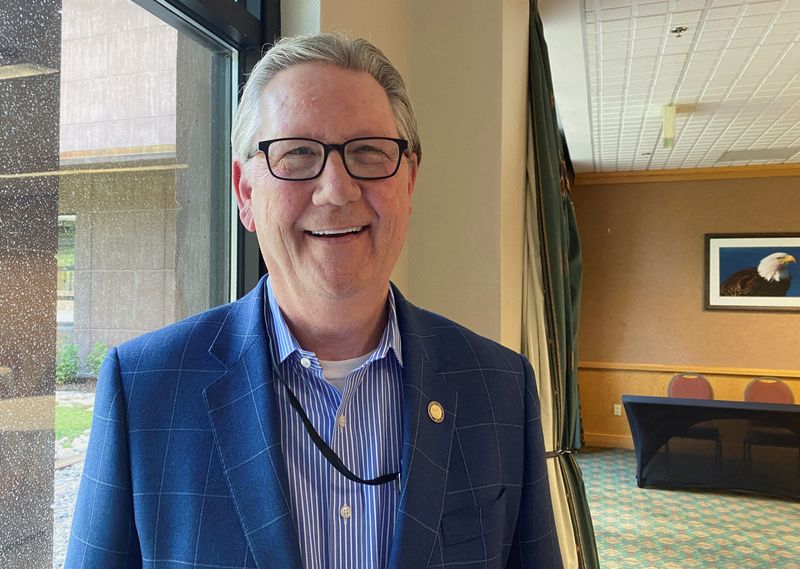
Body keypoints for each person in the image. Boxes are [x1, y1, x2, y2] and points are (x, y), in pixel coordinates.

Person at [65, 33, 562, 569]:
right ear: (245, 193)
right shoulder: (146, 390)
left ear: (410, 180)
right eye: (298, 154)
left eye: (369, 152)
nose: (337, 189)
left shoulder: (500, 387)